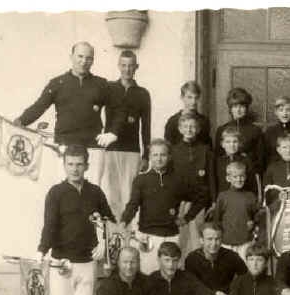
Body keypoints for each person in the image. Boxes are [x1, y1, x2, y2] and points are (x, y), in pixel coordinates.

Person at [36, 144, 115, 295]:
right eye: (70, 164)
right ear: (64, 165)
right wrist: (41, 252)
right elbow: (49, 226)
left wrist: (104, 243)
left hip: (88, 265)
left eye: (79, 164)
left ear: (87, 165)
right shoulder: (56, 193)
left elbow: (109, 221)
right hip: (62, 264)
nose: (74, 169)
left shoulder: (95, 192)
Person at [14, 42, 125, 185]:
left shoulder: (101, 84)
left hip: (93, 147)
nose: (84, 61)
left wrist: (113, 133)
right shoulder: (57, 83)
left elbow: (119, 109)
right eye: (80, 56)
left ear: (93, 60)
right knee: (65, 192)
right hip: (65, 146)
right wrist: (20, 121)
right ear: (71, 57)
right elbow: (39, 106)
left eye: (88, 58)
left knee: (92, 192)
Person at [119, 139, 200, 275]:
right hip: (147, 236)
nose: (159, 158)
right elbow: (133, 204)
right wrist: (123, 221)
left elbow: (200, 198)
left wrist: (187, 218)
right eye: (155, 155)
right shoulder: (141, 180)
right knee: (148, 275)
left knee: (170, 276)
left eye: (163, 155)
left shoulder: (178, 180)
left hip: (171, 236)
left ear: (169, 156)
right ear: (150, 157)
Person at [103, 50, 151, 219]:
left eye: (131, 66)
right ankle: (113, 233)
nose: (127, 69)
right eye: (123, 65)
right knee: (111, 195)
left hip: (132, 151)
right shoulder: (109, 89)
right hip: (110, 149)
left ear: (136, 67)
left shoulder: (143, 93)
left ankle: (128, 233)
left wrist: (146, 156)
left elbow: (146, 127)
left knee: (130, 195)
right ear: (119, 66)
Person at [171, 111, 216, 254]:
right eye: (185, 126)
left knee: (197, 238)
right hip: (179, 201)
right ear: (180, 129)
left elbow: (211, 177)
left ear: (198, 129)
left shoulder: (205, 150)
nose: (189, 130)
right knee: (180, 239)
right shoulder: (174, 150)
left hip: (199, 201)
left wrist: (213, 200)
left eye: (192, 126)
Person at [212, 161, 260, 261]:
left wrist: (253, 222)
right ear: (228, 178)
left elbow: (257, 215)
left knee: (244, 267)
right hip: (226, 242)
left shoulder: (250, 196)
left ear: (245, 177)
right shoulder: (222, 196)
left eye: (241, 176)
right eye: (235, 177)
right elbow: (217, 219)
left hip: (245, 241)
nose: (239, 179)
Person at [214, 88, 266, 176]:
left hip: (248, 173)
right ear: (230, 109)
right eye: (235, 106)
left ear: (246, 108)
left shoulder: (255, 130)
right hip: (226, 174)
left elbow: (261, 159)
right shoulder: (222, 129)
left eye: (242, 106)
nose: (238, 110)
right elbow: (218, 156)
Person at [164, 81, 211, 147]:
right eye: (189, 97)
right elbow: (168, 147)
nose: (193, 101)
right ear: (182, 97)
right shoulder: (173, 121)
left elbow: (207, 146)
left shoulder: (204, 121)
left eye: (196, 98)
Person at [214, 127, 257, 195]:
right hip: (224, 197)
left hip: (243, 196)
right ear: (222, 144)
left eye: (235, 141)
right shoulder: (218, 162)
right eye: (228, 142)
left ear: (239, 143)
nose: (232, 145)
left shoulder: (246, 160)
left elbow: (252, 183)